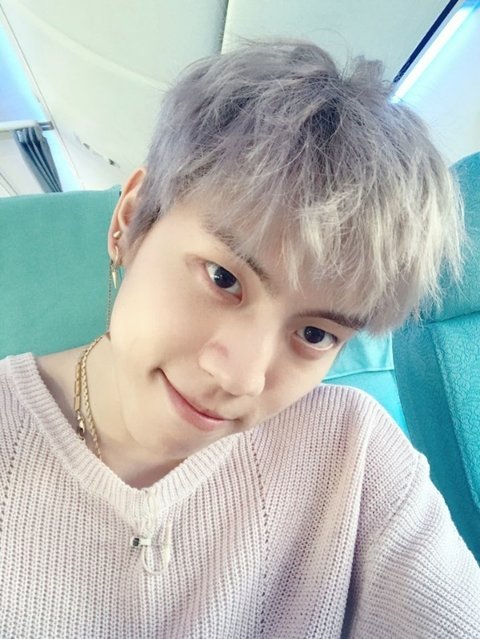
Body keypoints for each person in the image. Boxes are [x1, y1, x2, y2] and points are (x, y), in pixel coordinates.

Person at [0, 40, 479, 638]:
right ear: (131, 220)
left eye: (314, 333)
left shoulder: (354, 457)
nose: (241, 378)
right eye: (223, 278)